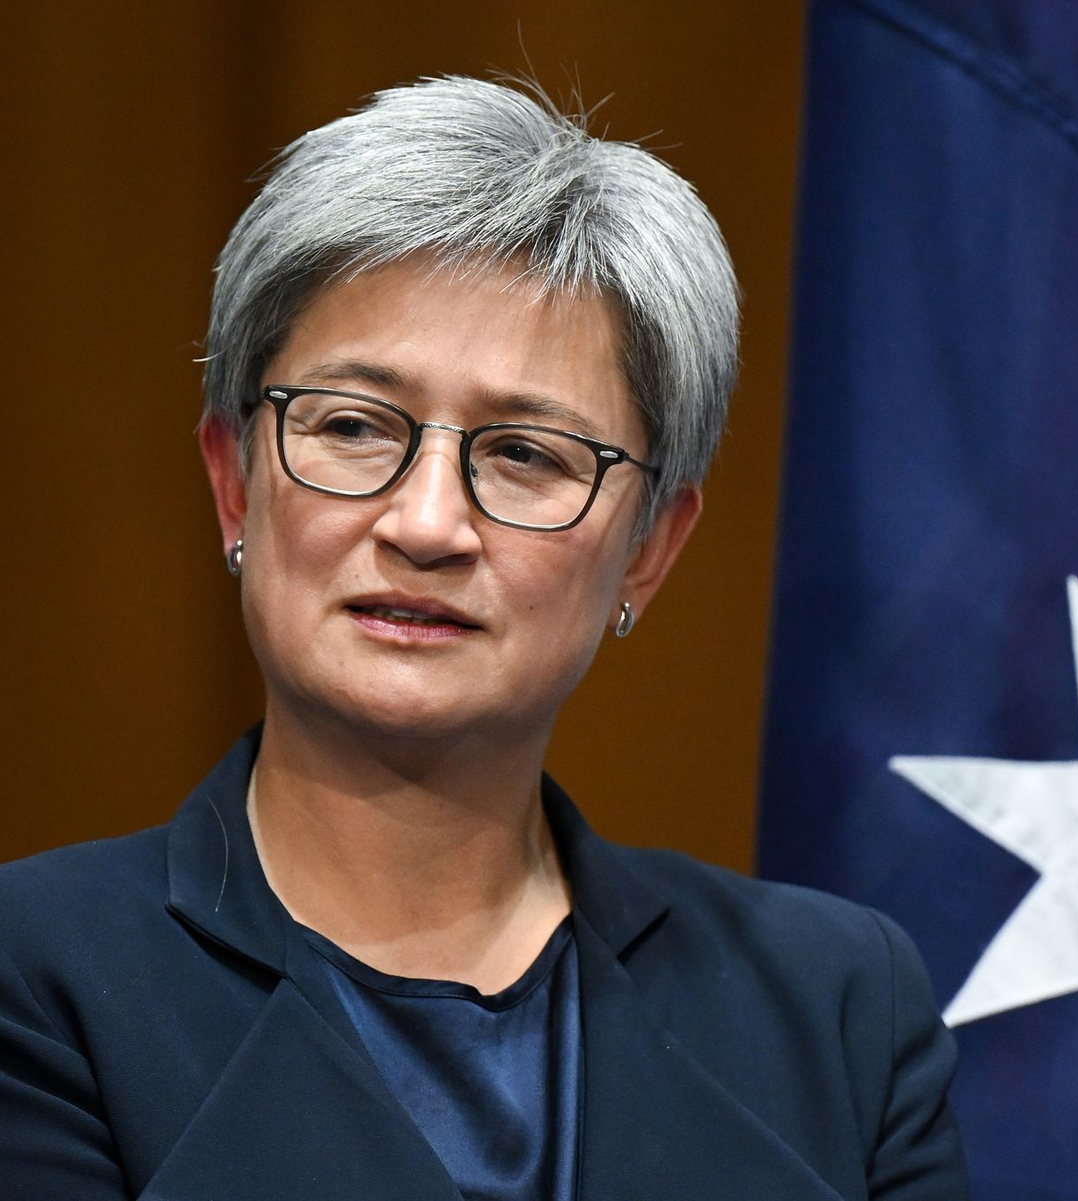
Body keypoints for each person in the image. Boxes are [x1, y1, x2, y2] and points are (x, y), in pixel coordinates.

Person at [0, 77, 970, 1199]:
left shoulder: (840, 1009)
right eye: (354, 426)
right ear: (235, 484)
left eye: (525, 454)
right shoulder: (38, 978)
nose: (426, 525)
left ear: (650, 549)